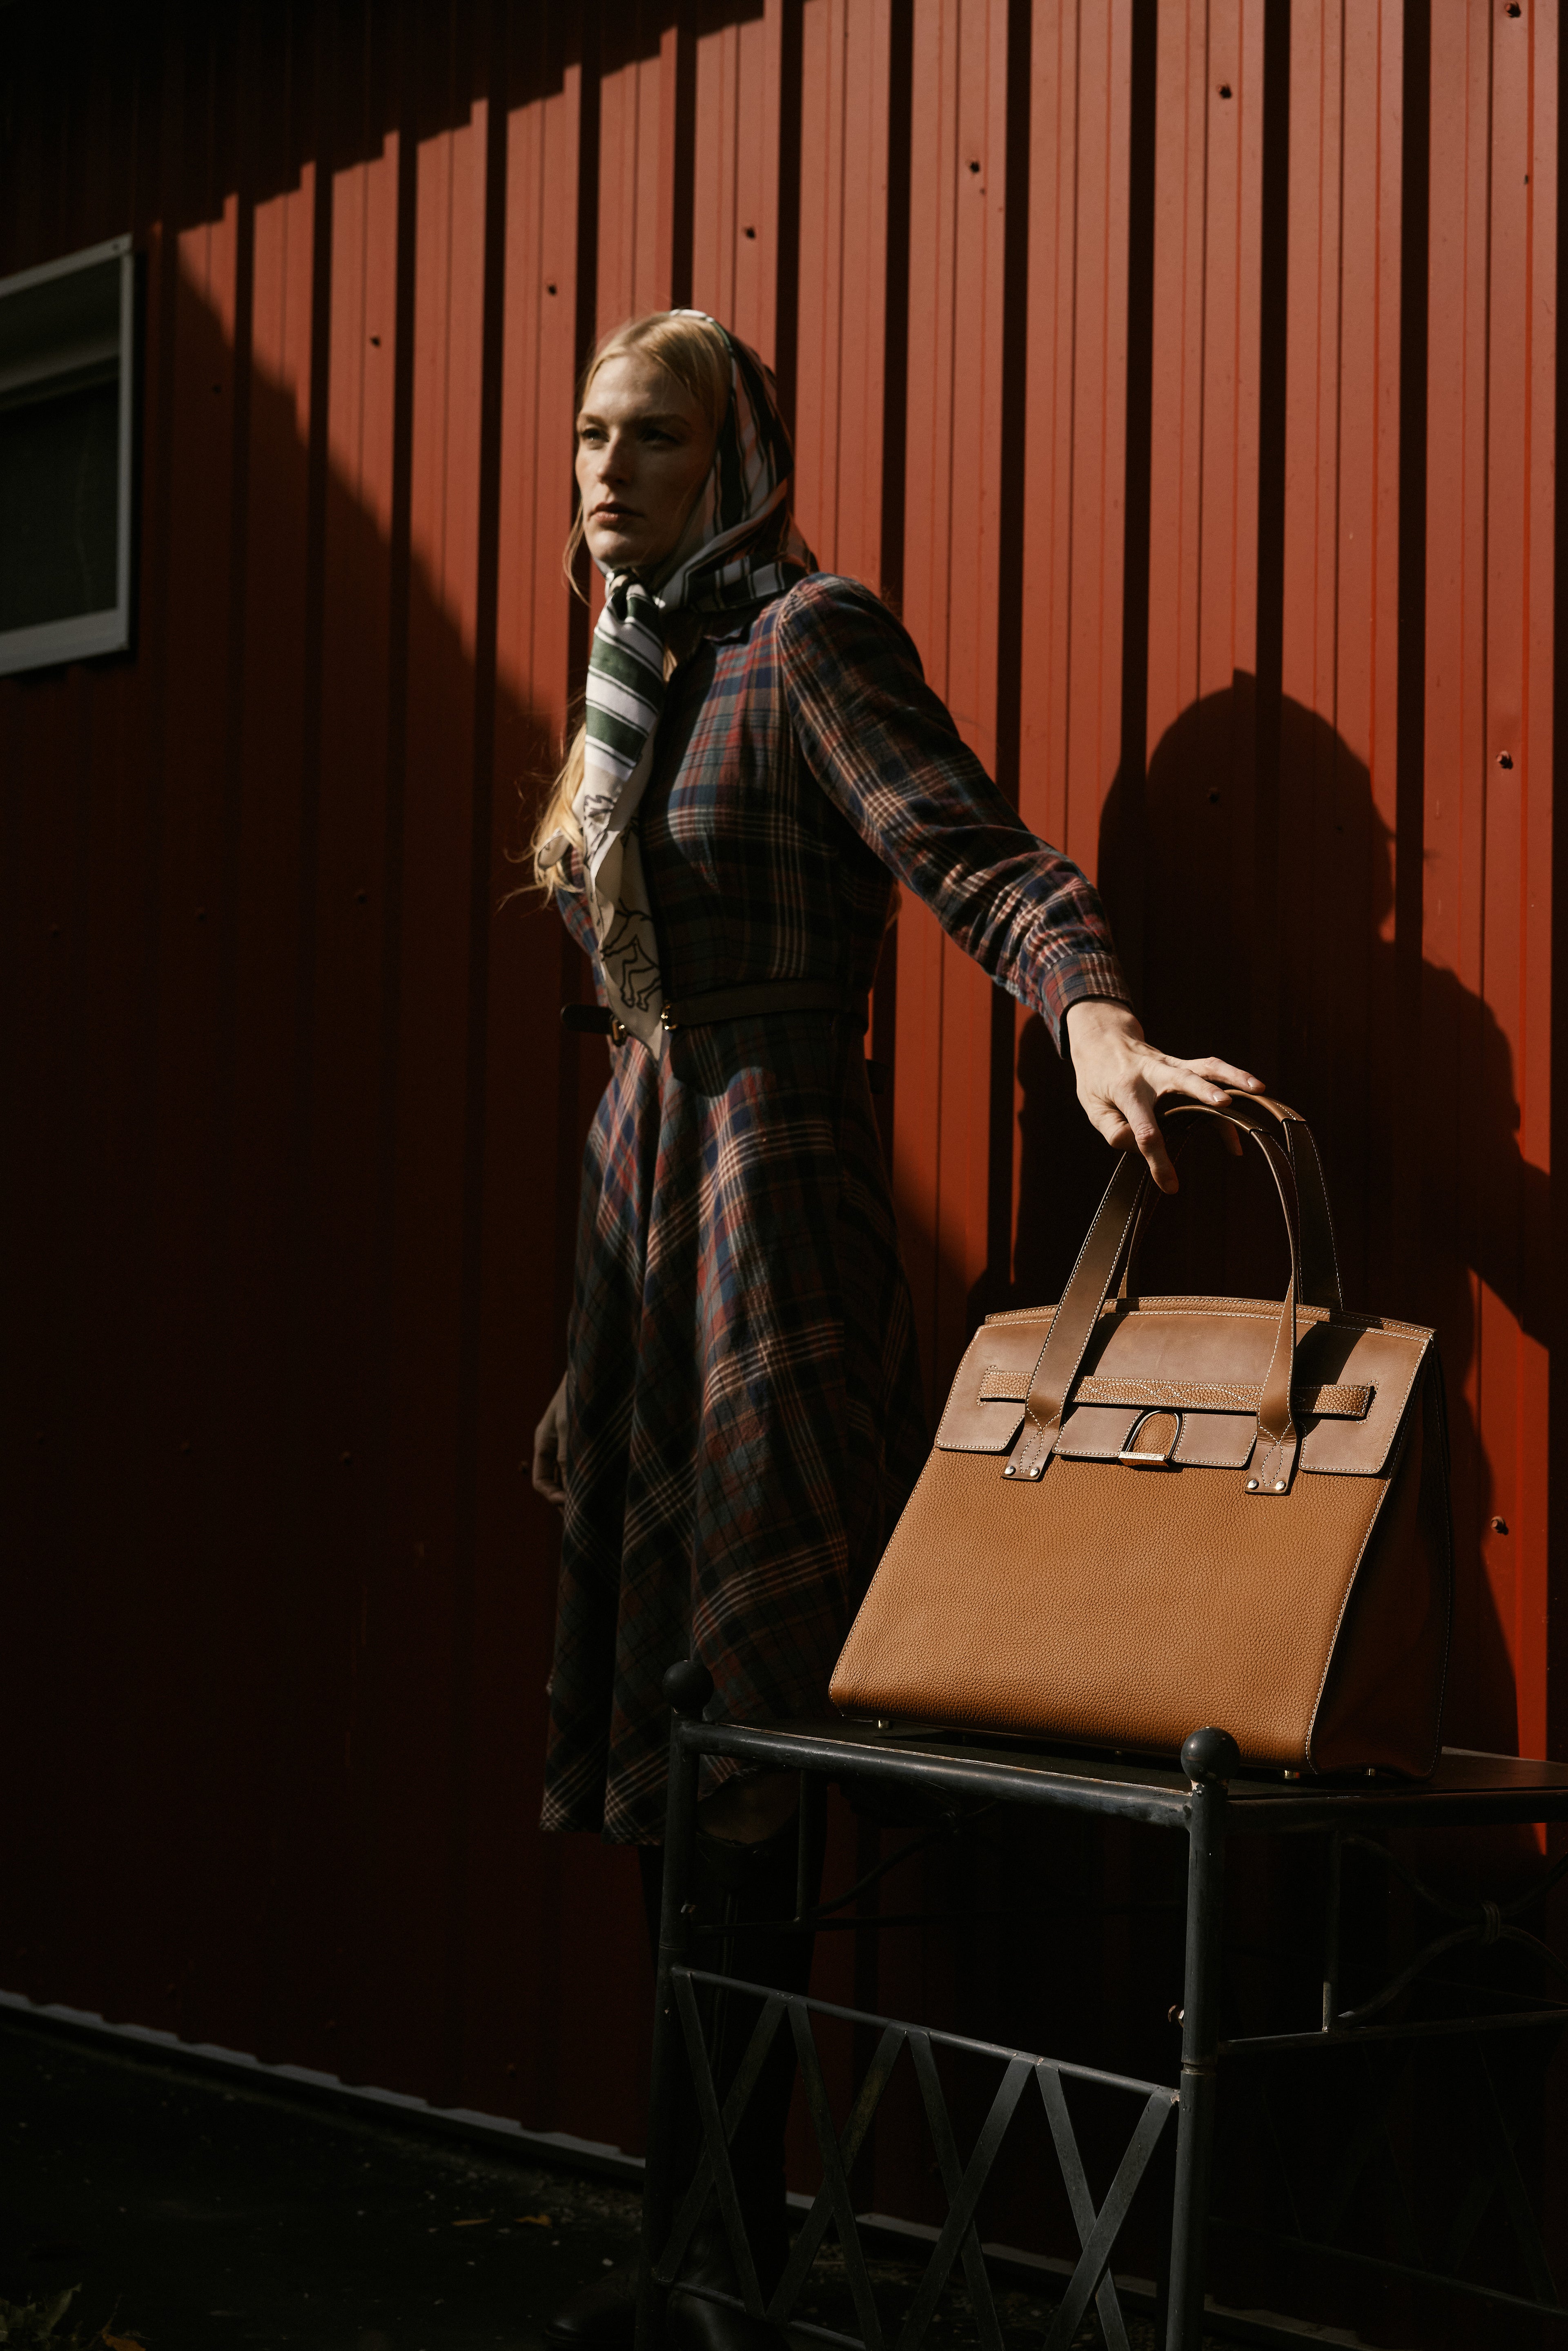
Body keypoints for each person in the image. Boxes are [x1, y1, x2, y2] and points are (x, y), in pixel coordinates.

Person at [530, 310, 1260, 2351]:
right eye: (588, 438)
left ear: (736, 450)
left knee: (747, 1739)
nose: (606, 473)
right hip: (642, 1210)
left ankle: (731, 2278)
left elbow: (983, 859)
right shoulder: (628, 673)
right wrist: (589, 1359)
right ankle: (693, 2253)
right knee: (667, 1764)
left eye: (651, 437)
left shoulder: (805, 636)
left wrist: (1094, 1015)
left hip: (774, 1196)